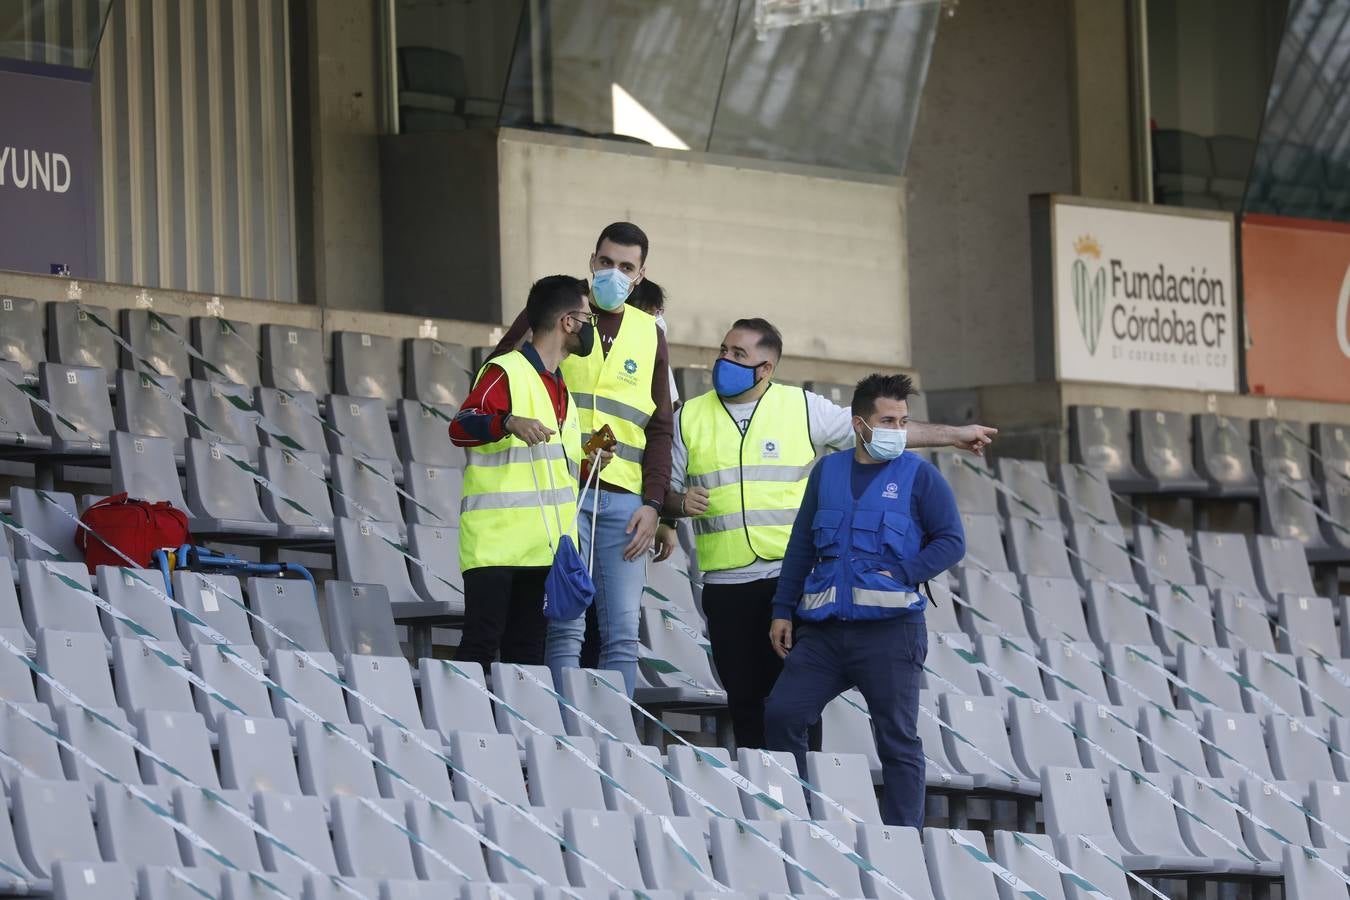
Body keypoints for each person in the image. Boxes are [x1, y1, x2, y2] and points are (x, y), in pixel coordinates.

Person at [663, 321, 993, 751]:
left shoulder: (801, 407)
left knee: (796, 707)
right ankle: (763, 804)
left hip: (790, 581)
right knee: (744, 704)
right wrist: (676, 506)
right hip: (726, 586)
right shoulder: (689, 415)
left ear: (766, 368)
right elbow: (663, 491)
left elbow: (882, 430)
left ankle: (804, 801)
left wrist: (953, 436)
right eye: (723, 350)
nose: (724, 360)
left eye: (738, 355)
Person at [761, 373, 966, 828]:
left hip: (891, 635)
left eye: (903, 421)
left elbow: (951, 541)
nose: (897, 430)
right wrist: (782, 609)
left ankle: (901, 841)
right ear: (859, 424)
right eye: (887, 420)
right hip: (825, 633)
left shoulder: (920, 475)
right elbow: (800, 547)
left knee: (896, 741)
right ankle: (796, 820)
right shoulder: (828, 472)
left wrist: (905, 573)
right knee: (782, 714)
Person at [490, 222, 672, 696]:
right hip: (561, 493)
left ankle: (616, 746)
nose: (613, 273)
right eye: (606, 262)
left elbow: (660, 427)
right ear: (592, 261)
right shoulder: (556, 313)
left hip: (625, 503)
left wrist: (655, 504)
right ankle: (563, 737)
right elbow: (500, 378)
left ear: (640, 274)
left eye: (626, 267)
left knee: (622, 637)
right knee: (565, 626)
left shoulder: (650, 333)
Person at [449, 275, 603, 670]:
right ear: (568, 321)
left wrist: (591, 459)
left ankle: (518, 732)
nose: (591, 328)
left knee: (528, 655)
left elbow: (559, 465)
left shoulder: (560, 386)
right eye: (588, 318)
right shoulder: (506, 370)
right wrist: (508, 422)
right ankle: (464, 728)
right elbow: (461, 425)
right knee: (481, 644)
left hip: (543, 548)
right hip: (495, 546)